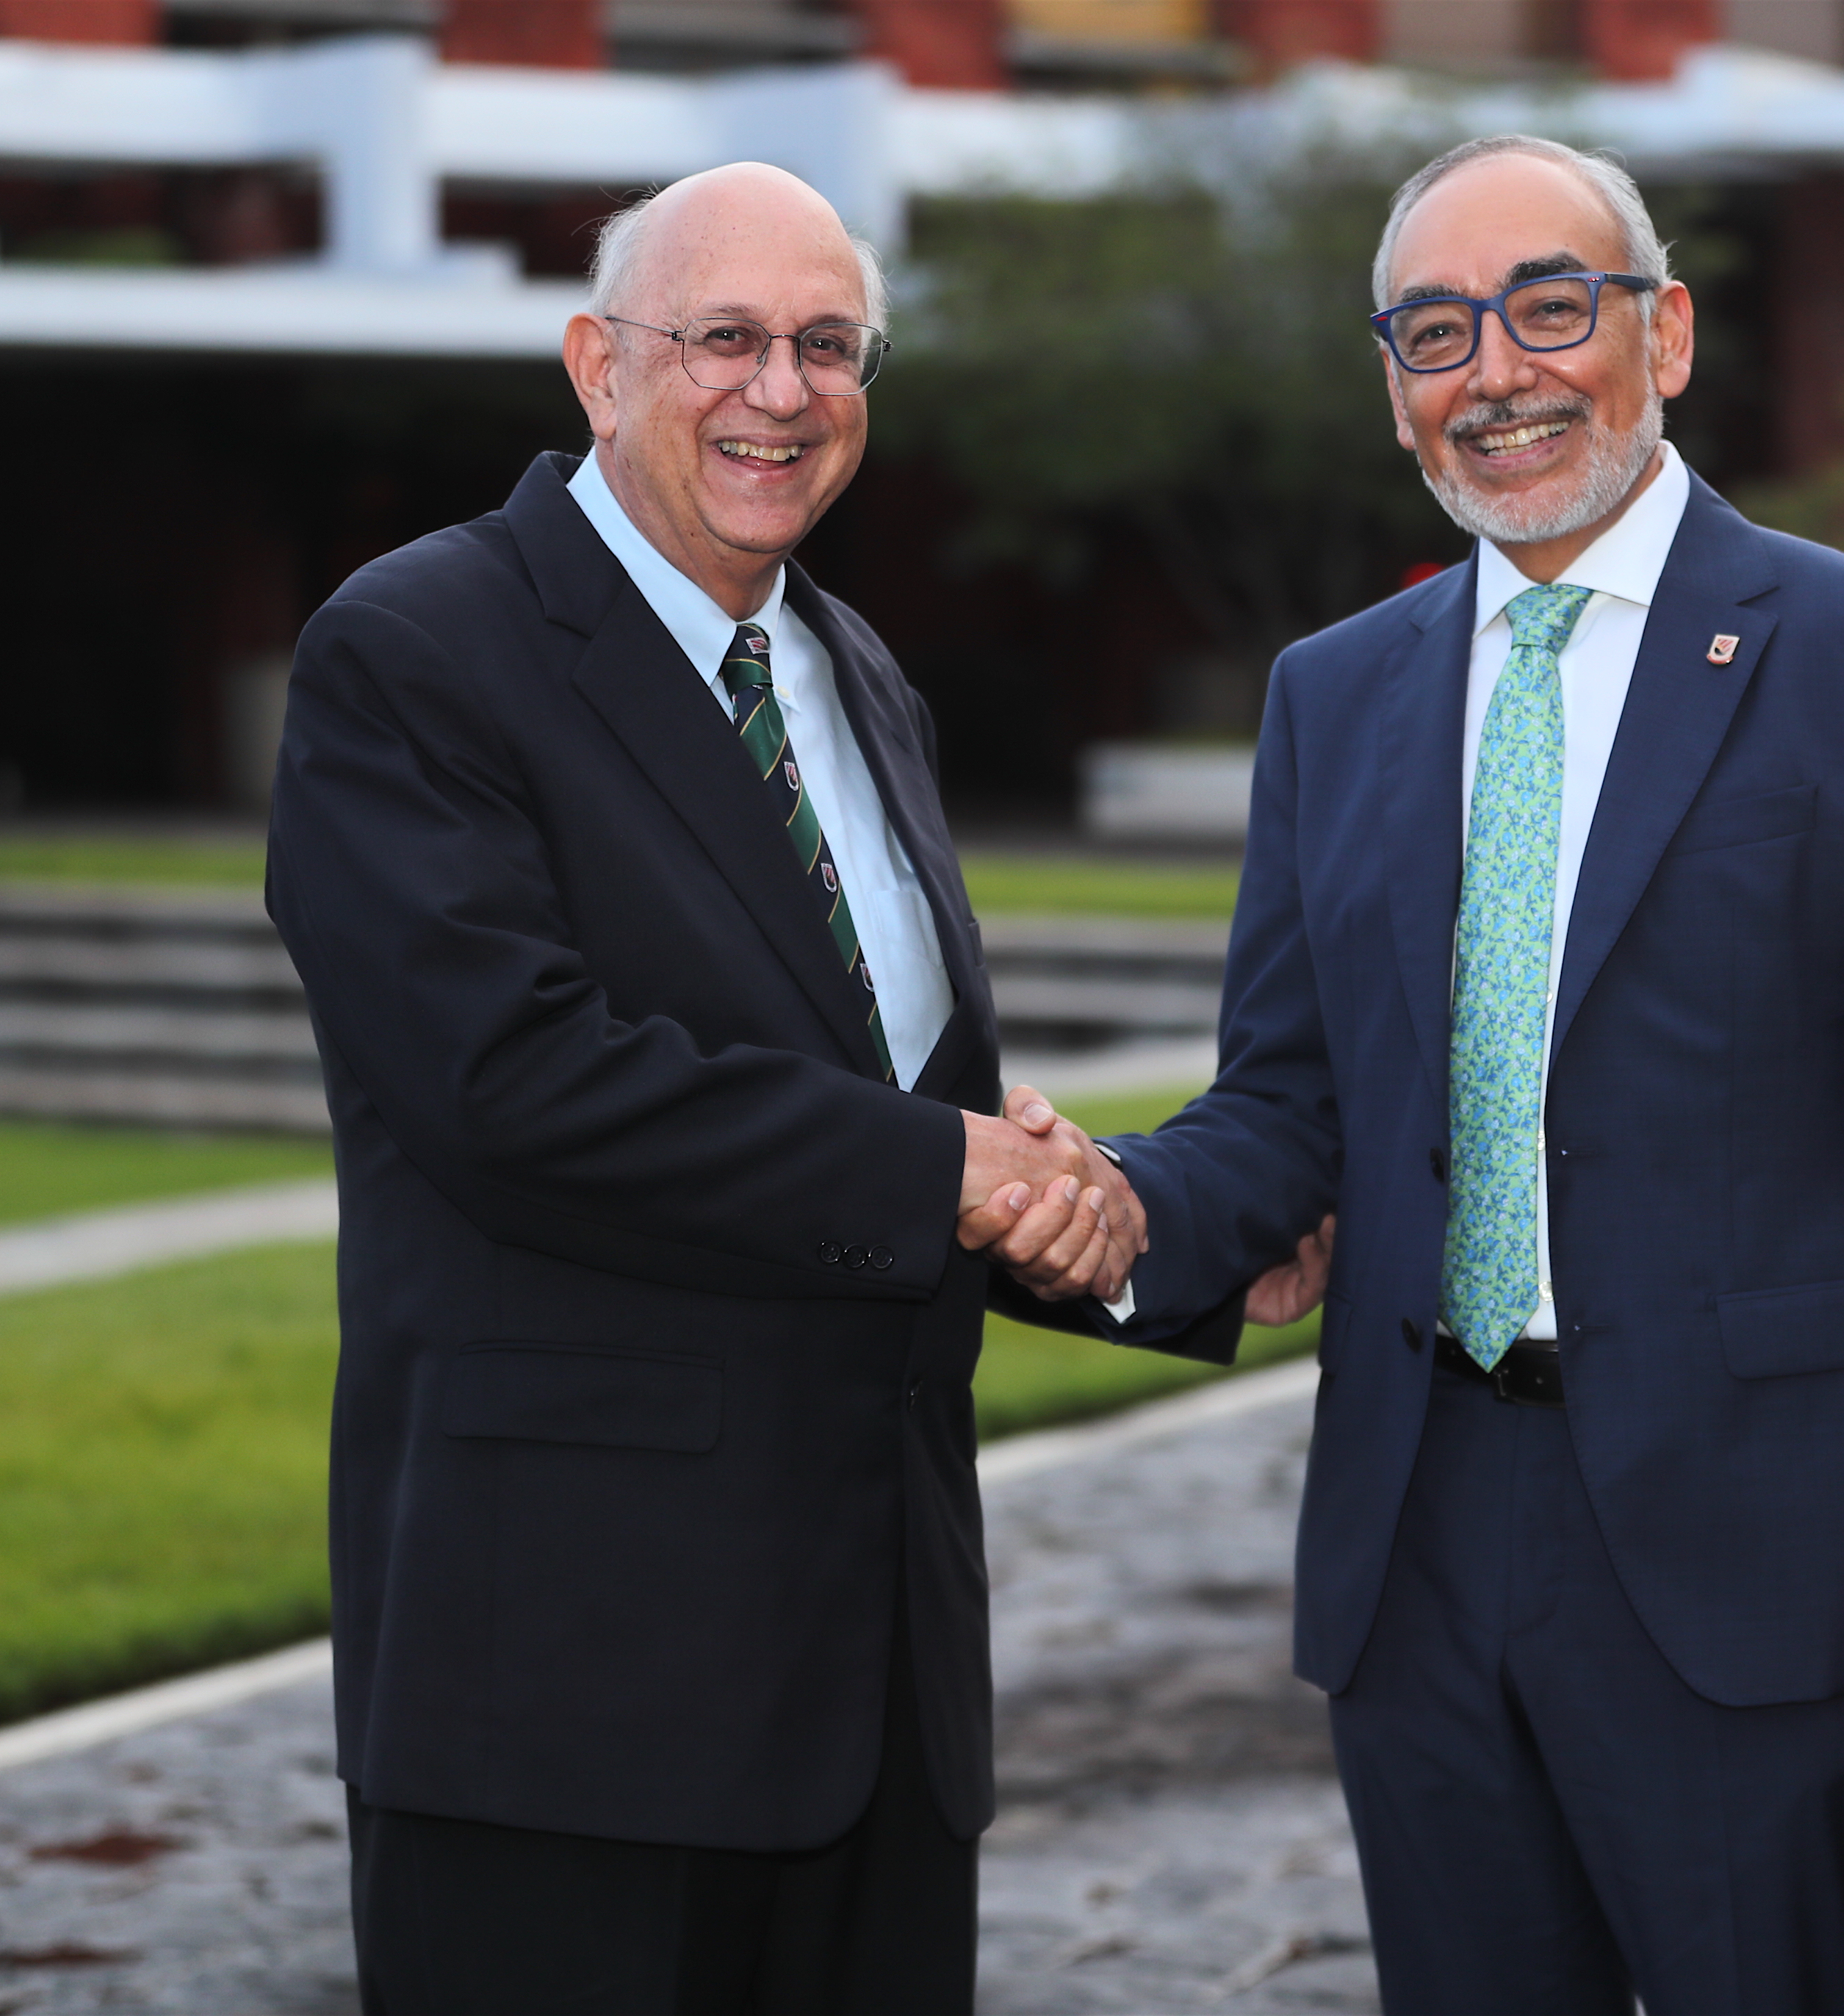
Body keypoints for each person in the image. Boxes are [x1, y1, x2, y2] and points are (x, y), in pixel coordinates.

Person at [998, 134, 1844, 2014]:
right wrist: (1103, 1206)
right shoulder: (1330, 695)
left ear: (1663, 335)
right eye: (1435, 328)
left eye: (1548, 307)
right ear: (1394, 383)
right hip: (1418, 1560)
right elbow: (1288, 1107)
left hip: (1762, 1575)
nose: (1494, 370)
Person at [267, 162, 1182, 2013]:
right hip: (576, 1703)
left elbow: (908, 1109)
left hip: (882, 1698)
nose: (784, 388)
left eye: (829, 345)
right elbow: (510, 1081)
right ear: (600, 364)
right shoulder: (418, 649)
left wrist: (1116, 1218)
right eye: (727, 340)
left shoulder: (857, 674)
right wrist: (952, 1172)